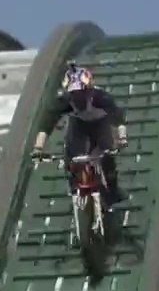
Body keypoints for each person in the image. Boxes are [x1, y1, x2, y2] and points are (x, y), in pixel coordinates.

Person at [33, 62, 128, 204]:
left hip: (99, 124)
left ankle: (112, 189)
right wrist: (38, 148)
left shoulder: (101, 98)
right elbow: (47, 125)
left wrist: (122, 138)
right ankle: (74, 187)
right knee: (71, 156)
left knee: (107, 153)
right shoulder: (65, 101)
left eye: (81, 95)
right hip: (79, 125)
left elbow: (118, 117)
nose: (77, 100)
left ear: (90, 91)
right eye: (73, 96)